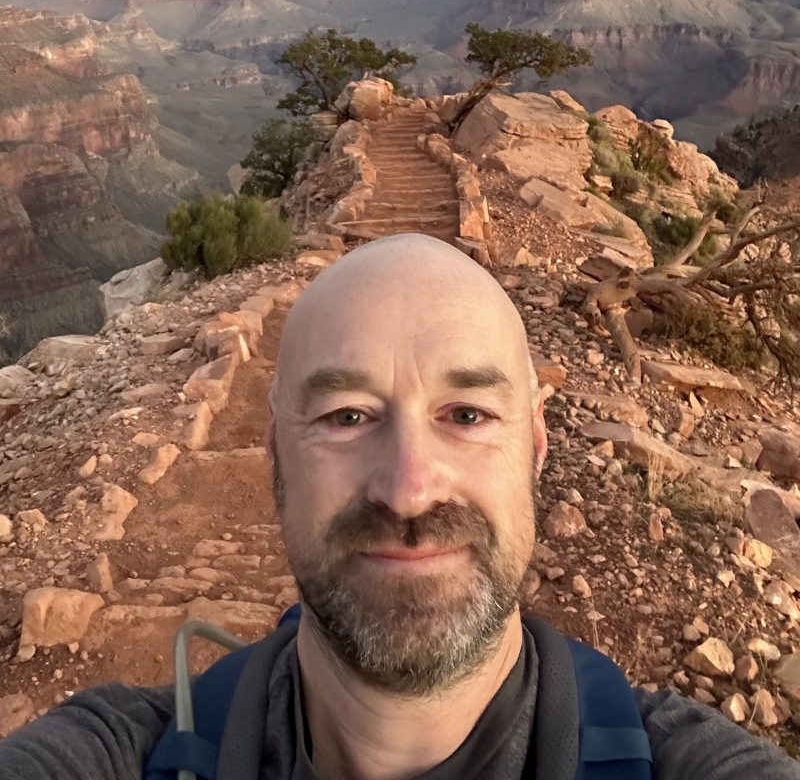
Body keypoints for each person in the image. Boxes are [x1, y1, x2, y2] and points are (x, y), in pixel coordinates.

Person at [0, 233, 798, 780]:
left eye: (468, 414)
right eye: (347, 415)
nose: (409, 489)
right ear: (274, 452)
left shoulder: (680, 758)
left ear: (536, 445)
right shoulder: (121, 750)